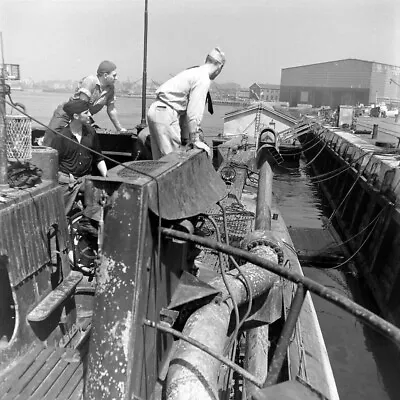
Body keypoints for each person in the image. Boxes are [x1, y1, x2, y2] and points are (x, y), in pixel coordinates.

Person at [147, 47, 226, 160]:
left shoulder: (193, 72)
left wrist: (186, 138)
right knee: (171, 163)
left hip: (155, 110)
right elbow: (193, 113)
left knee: (159, 162)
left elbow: (185, 111)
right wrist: (195, 140)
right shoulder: (203, 78)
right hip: (166, 114)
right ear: (220, 67)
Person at [51, 99, 107, 235]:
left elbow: (98, 158)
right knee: (59, 217)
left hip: (85, 179)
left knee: (96, 188)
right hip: (67, 181)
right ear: (76, 116)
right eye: (86, 112)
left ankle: (87, 222)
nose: (89, 115)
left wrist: (106, 178)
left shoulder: (91, 133)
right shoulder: (61, 137)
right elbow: (52, 165)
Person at [43, 60, 126, 146]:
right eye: (114, 75)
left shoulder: (110, 89)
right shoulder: (90, 81)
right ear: (105, 75)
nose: (116, 78)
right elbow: (82, 105)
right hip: (66, 114)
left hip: (83, 116)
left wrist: (120, 129)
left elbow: (111, 109)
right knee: (52, 136)